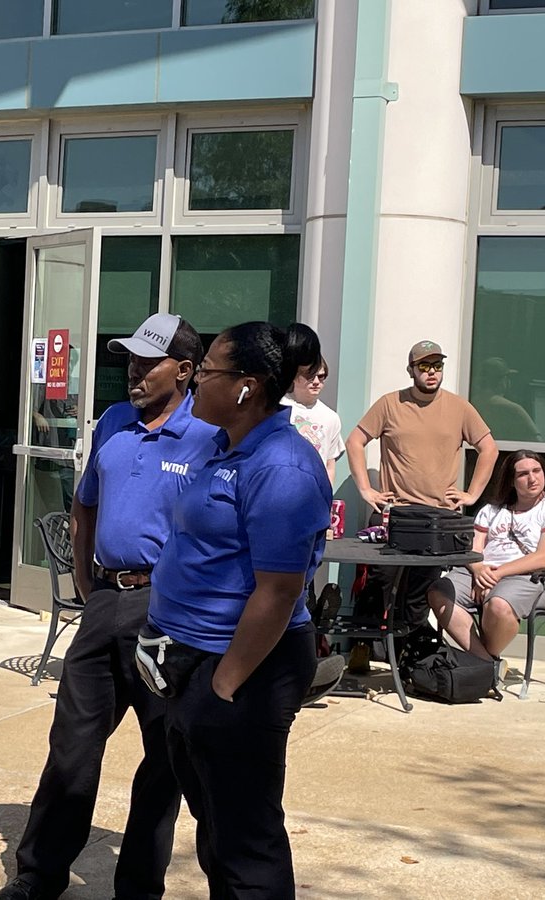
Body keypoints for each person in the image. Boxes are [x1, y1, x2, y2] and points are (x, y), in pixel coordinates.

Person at [0, 314, 217, 900]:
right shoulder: (114, 423)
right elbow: (84, 505)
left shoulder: (209, 435)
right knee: (71, 744)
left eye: (149, 362)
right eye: (129, 360)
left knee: (162, 758)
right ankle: (38, 875)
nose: (134, 372)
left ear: (187, 370)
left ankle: (138, 888)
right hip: (105, 603)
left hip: (169, 611)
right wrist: (88, 585)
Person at [146, 321, 331, 896]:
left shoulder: (282, 466)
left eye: (208, 372)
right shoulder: (223, 444)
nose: (196, 382)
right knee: (216, 825)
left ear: (247, 387)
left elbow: (278, 592)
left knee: (245, 836)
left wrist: (223, 687)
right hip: (190, 656)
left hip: (243, 667)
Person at [345, 340, 499, 643]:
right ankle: (362, 650)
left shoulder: (459, 407)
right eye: (424, 366)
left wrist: (471, 494)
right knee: (379, 582)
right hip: (396, 514)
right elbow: (354, 442)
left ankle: (407, 655)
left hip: (437, 520)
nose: (431, 372)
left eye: (437, 366)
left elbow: (488, 449)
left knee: (419, 590)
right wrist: (366, 489)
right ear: (411, 370)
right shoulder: (390, 404)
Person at [428, 450, 545, 678]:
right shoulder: (491, 511)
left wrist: (495, 575)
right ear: (511, 480)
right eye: (523, 474)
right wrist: (479, 570)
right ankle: (488, 664)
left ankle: (480, 663)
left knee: (498, 604)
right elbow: (474, 550)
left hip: (537, 578)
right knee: (439, 591)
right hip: (482, 573)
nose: (532, 478)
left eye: (537, 471)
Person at [282, 355, 344, 486]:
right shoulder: (276, 408)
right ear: (294, 376)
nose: (316, 381)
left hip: (313, 493)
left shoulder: (331, 417)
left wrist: (327, 498)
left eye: (321, 377)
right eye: (310, 376)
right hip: (282, 487)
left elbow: (329, 464)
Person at [474, 356, 541, 442]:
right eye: (507, 377)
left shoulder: (472, 405)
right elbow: (537, 441)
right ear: (501, 381)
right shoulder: (513, 409)